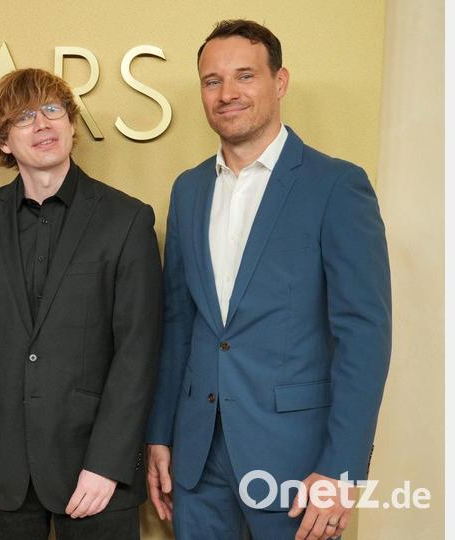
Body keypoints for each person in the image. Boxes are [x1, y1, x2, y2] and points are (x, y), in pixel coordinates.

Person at [145, 19, 391, 540]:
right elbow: (179, 325)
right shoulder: (188, 190)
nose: (227, 93)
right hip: (197, 465)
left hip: (297, 465)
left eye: (244, 76)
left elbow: (364, 335)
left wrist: (342, 469)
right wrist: (161, 434)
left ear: (279, 82)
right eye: (212, 81)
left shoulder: (337, 186)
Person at [0, 68, 162, 540]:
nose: (42, 125)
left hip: (97, 473)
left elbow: (138, 352)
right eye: (24, 118)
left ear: (71, 124)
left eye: (52, 110)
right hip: (0, 471)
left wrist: (108, 464)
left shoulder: (127, 220)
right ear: (2, 141)